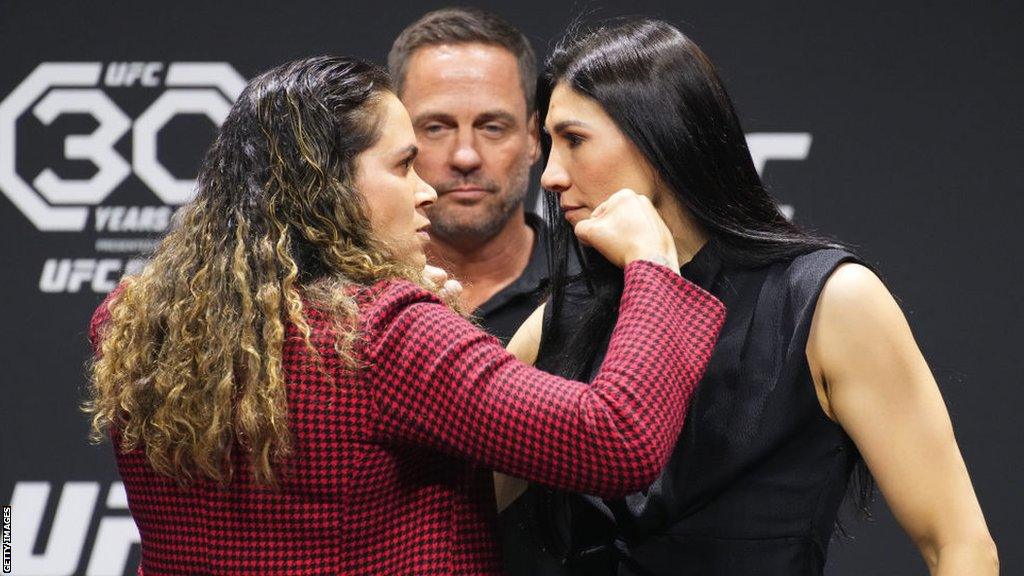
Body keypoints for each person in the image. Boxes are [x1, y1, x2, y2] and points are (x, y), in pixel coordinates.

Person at [84, 55, 726, 575]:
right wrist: (652, 267)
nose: (426, 190)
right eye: (402, 166)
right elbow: (614, 441)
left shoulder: (136, 320)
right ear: (326, 186)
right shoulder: (385, 333)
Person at [500, 19, 998, 576]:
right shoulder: (564, 319)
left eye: (573, 139)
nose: (550, 175)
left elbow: (957, 545)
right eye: (548, 145)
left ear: (658, 136)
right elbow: (454, 503)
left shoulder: (829, 302)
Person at [388, 7, 549, 344]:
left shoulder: (595, 290)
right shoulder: (346, 302)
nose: (465, 156)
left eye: (492, 127)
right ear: (395, 138)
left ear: (533, 137)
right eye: (436, 128)